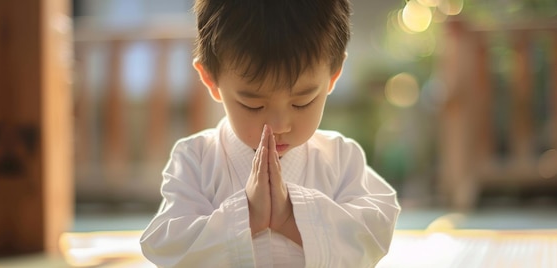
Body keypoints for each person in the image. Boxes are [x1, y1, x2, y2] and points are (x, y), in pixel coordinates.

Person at [140, 0, 401, 267]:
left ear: (333, 75)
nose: (278, 126)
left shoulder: (341, 158)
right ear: (211, 80)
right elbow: (166, 245)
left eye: (302, 102)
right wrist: (247, 214)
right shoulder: (195, 159)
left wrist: (291, 216)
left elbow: (374, 230)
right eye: (254, 105)